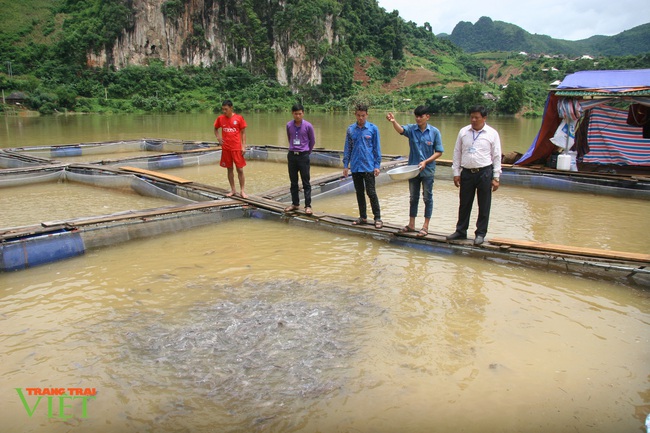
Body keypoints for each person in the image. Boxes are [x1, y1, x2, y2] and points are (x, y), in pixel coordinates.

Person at [446, 105, 502, 245]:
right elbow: (457, 152)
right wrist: (456, 172)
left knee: (484, 204)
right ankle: (461, 231)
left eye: (477, 117)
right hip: (467, 173)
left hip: (484, 172)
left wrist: (496, 177)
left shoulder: (492, 133)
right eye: (471, 117)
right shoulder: (463, 132)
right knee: (464, 204)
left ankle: (480, 233)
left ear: (484, 118)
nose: (473, 120)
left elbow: (496, 156)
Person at [386, 106, 444, 238]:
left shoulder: (434, 132)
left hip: (428, 170)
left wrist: (425, 162)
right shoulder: (412, 129)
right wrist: (393, 121)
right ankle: (411, 224)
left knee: (427, 197)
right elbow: (401, 130)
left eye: (421, 116)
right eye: (416, 116)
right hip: (413, 170)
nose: (418, 118)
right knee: (413, 198)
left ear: (427, 117)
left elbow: (439, 152)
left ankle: (425, 226)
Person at [343, 104, 383, 228]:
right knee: (359, 192)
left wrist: (377, 165)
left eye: (363, 116)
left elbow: (376, 148)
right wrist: (345, 165)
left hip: (369, 166)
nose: (361, 118)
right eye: (359, 115)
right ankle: (363, 217)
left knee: (371, 192)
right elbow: (347, 148)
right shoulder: (351, 130)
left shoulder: (373, 129)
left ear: (367, 115)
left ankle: (378, 218)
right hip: (355, 166)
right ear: (355, 114)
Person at [284, 103, 316, 215]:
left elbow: (312, 141)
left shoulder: (308, 126)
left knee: (306, 181)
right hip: (292, 155)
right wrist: (294, 149)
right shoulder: (289, 125)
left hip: (303, 155)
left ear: (303, 113)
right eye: (295, 113)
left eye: (300, 113)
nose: (298, 116)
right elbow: (290, 138)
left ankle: (308, 205)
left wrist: (307, 152)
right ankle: (295, 203)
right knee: (293, 182)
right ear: (292, 114)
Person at [214, 100, 248, 198]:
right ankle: (233, 190)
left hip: (237, 148)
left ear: (231, 108)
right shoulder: (220, 118)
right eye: (223, 109)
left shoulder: (239, 118)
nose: (224, 111)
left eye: (226, 109)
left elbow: (243, 132)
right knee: (229, 169)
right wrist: (219, 138)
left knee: (240, 169)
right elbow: (215, 129)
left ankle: (242, 191)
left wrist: (243, 146)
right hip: (226, 148)